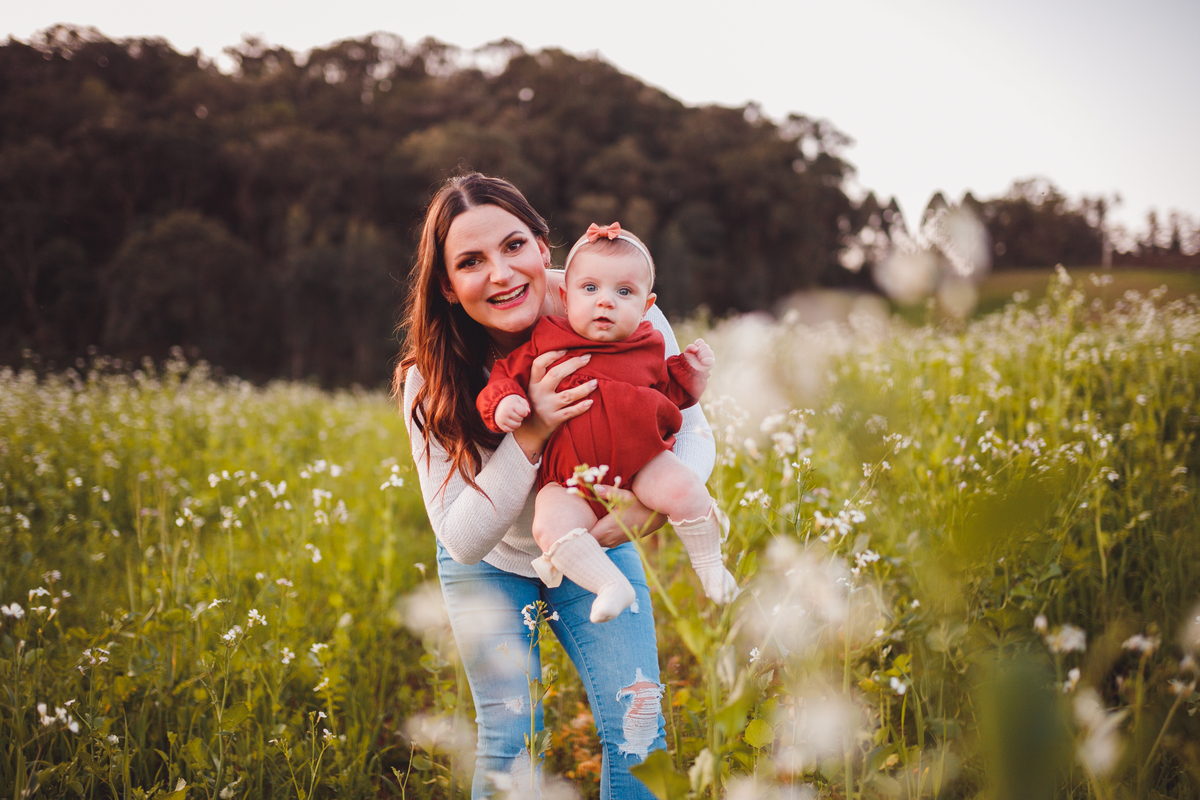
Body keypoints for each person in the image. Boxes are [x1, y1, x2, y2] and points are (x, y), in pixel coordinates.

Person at [396, 174, 716, 799]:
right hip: (490, 562)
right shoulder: (429, 380)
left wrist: (641, 514)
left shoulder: (619, 302)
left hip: (594, 544)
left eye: (514, 246)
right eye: (470, 262)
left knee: (638, 728)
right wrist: (533, 430)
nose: (501, 274)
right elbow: (461, 539)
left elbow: (695, 436)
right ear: (448, 287)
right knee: (510, 742)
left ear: (546, 248)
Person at [476, 222, 737, 624]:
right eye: (590, 289)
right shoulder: (547, 338)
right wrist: (505, 401)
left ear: (646, 306)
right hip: (569, 481)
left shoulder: (648, 343)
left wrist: (692, 372)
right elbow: (505, 375)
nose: (606, 303)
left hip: (643, 465)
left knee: (684, 486)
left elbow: (672, 395)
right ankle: (609, 584)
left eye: (624, 292)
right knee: (549, 522)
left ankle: (710, 565)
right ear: (565, 296)